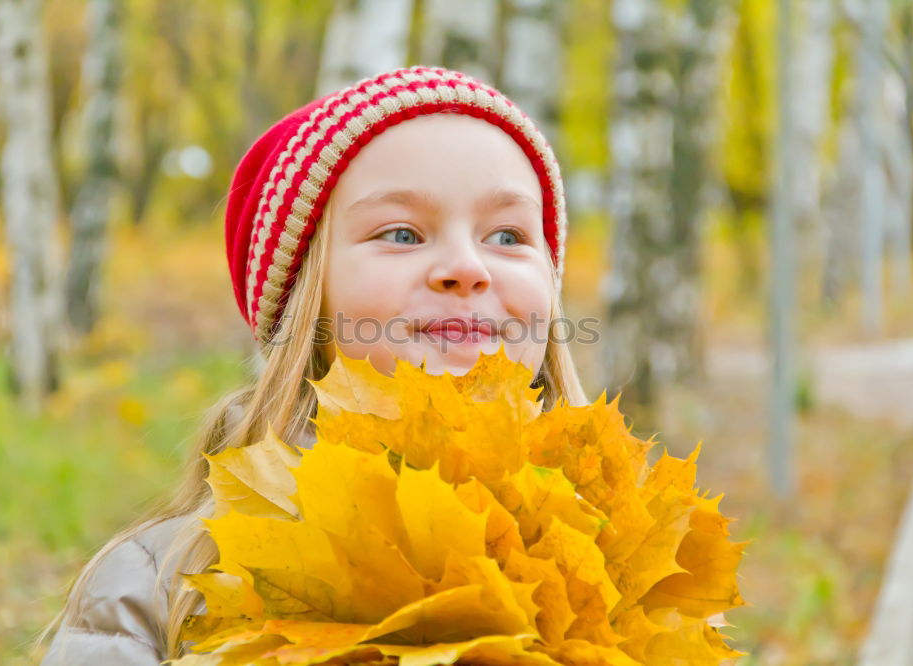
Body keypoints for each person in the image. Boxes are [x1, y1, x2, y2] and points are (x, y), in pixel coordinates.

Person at [39, 65, 588, 664]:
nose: (467, 266)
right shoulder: (163, 584)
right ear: (306, 301)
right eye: (402, 234)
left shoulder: (623, 558)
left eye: (508, 236)